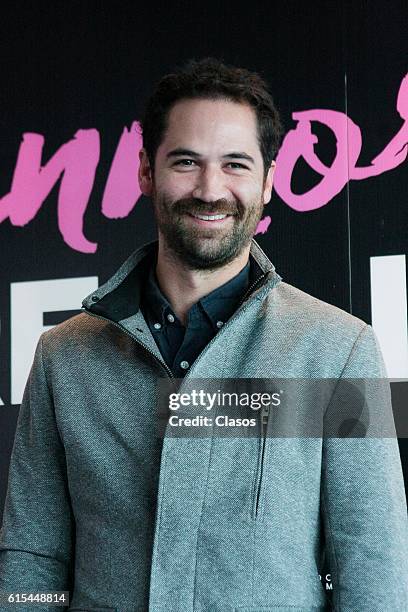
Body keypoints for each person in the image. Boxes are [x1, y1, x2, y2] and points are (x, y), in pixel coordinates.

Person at [0, 57, 407, 612]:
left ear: (267, 182)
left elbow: (373, 568)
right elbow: (33, 557)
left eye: (236, 164)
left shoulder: (339, 351)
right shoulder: (63, 355)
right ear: (146, 171)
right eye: (186, 161)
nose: (210, 189)